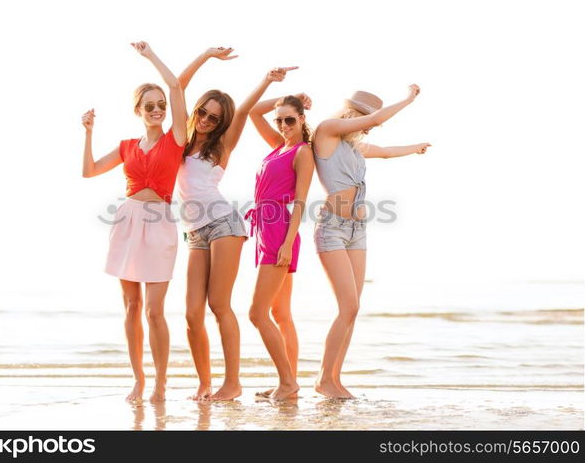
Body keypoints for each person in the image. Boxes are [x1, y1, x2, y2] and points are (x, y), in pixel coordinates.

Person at [177, 48, 297, 401]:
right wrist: (205, 57)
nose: (205, 120)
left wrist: (267, 81)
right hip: (195, 230)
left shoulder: (221, 145)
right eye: (202, 112)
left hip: (224, 225)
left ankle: (232, 383)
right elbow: (177, 87)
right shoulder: (179, 142)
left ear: (221, 123)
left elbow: (243, 111)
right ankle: (204, 383)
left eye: (214, 118)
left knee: (219, 304)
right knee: (191, 313)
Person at [81, 41, 187, 404]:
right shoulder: (127, 145)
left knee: (155, 311)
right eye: (150, 106)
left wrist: (150, 55)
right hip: (126, 220)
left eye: (160, 106)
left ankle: (160, 383)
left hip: (159, 221)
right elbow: (89, 171)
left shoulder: (176, 139)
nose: (158, 110)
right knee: (131, 306)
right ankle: (138, 380)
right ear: (138, 111)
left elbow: (176, 88)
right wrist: (88, 132)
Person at [311, 86, 425, 398]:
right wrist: (407, 100)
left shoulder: (354, 146)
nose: (370, 125)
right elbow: (375, 119)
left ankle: (334, 378)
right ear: (350, 113)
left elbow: (386, 152)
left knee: (353, 308)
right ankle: (323, 379)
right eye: (365, 118)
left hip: (357, 228)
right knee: (347, 306)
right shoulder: (328, 131)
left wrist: (415, 147)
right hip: (332, 228)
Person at [247, 92, 315, 400]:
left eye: (290, 119)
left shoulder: (302, 152)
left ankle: (288, 383)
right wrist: (286, 97)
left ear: (302, 119)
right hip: (265, 228)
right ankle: (288, 383)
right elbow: (251, 113)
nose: (284, 125)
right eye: (280, 120)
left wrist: (287, 243)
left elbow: (301, 201)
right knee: (281, 313)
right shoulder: (278, 146)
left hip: (280, 231)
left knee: (257, 313)